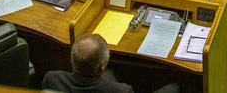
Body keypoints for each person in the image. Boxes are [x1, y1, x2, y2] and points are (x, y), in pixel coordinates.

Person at [42, 34, 180, 93]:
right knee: (174, 87)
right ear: (103, 64)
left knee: (111, 74)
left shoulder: (52, 78)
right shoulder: (121, 91)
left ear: (72, 60)